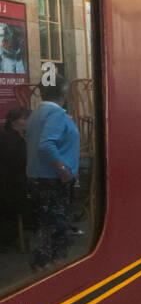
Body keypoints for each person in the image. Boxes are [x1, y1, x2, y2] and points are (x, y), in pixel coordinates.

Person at [26, 76, 79, 271]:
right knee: (57, 223)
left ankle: (42, 264)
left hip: (38, 178)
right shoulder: (56, 114)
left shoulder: (36, 113)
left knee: (45, 224)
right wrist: (63, 169)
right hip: (53, 179)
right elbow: (46, 144)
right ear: (63, 93)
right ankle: (51, 265)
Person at [0, 106, 30, 251]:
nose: (28, 121)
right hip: (12, 191)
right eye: (25, 119)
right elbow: (22, 164)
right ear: (13, 122)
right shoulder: (15, 140)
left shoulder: (8, 136)